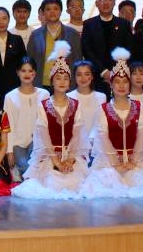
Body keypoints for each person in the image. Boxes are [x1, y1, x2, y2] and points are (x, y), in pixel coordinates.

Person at [11, 42, 89, 199]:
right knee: (52, 183)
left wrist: (70, 159)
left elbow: (77, 135)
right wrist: (56, 161)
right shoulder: (44, 105)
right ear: (52, 81)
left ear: (70, 82)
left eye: (65, 78)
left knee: (78, 183)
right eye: (58, 78)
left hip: (71, 156)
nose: (62, 82)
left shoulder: (76, 104)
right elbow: (44, 136)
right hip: (50, 156)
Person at [87, 48, 143, 195]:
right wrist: (116, 164)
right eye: (117, 82)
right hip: (110, 162)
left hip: (134, 161)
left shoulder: (139, 107)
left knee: (140, 186)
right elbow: (103, 138)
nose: (121, 86)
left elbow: (142, 136)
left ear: (129, 84)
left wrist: (133, 161)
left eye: (125, 82)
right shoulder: (103, 109)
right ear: (111, 85)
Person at [81, 0, 134, 94]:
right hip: (96, 77)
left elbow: (129, 49)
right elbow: (87, 51)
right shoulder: (89, 24)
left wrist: (118, 70)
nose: (105, 2)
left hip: (120, 77)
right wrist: (103, 71)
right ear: (96, 3)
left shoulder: (123, 24)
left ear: (114, 2)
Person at [3, 57, 49, 182]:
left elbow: (46, 123)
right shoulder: (10, 97)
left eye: (30, 70)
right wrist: (9, 151)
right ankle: (18, 172)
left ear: (35, 73)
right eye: (23, 71)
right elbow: (8, 126)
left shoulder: (44, 94)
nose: (27, 74)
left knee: (36, 170)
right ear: (18, 72)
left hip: (37, 142)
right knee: (26, 169)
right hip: (18, 144)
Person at [27, 0, 81, 91]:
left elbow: (78, 61)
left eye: (56, 9)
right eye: (48, 9)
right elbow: (30, 62)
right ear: (43, 12)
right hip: (41, 87)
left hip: (66, 86)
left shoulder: (73, 34)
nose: (52, 12)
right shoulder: (35, 35)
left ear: (61, 11)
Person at [67, 59, 105, 160]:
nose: (83, 78)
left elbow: (99, 124)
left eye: (87, 74)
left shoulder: (101, 97)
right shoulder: (69, 97)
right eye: (79, 74)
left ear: (92, 76)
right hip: (74, 146)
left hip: (95, 146)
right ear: (74, 77)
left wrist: (90, 143)